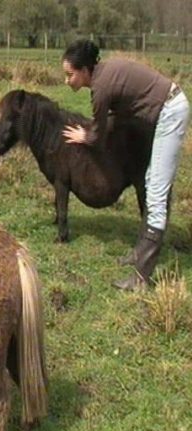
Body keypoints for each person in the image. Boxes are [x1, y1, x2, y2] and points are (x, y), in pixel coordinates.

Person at [61, 39, 190, 291]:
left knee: (155, 193)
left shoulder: (100, 88)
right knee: (151, 182)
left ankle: (141, 278)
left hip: (170, 112)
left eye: (70, 75)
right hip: (169, 106)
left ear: (85, 71)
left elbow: (98, 138)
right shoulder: (105, 73)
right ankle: (139, 254)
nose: (67, 81)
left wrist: (84, 136)